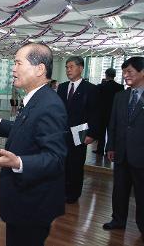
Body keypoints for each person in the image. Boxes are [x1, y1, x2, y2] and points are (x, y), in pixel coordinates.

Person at [0, 43, 67, 246]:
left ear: (39, 69)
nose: (13, 69)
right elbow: (26, 127)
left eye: (18, 62)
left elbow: (56, 158)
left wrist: (18, 162)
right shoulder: (37, 99)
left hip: (32, 204)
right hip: (24, 200)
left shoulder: (49, 104)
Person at [103, 57, 144, 243]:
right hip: (120, 152)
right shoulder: (120, 95)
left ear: (142, 72)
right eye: (124, 72)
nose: (125, 76)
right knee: (119, 190)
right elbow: (113, 123)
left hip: (141, 154)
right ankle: (118, 220)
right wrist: (110, 146)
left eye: (130, 72)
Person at [57, 56, 99, 204]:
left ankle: (73, 194)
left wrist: (92, 134)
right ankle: (60, 190)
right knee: (62, 161)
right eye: (67, 67)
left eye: (71, 67)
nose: (68, 70)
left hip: (81, 130)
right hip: (62, 131)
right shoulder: (62, 87)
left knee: (75, 162)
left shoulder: (91, 89)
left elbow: (95, 113)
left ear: (81, 68)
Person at [95, 68, 124, 156]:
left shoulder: (100, 86)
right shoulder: (120, 87)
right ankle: (109, 150)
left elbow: (97, 100)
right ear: (114, 75)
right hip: (114, 113)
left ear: (106, 75)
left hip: (102, 113)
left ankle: (100, 150)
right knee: (111, 133)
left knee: (101, 132)